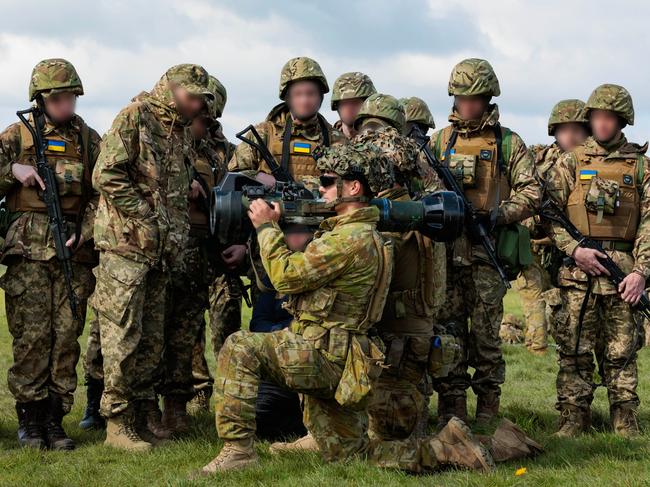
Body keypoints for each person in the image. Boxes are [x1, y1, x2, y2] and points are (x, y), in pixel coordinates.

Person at [197, 143, 541, 476]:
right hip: (341, 356)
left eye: (329, 181)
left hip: (323, 354)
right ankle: (462, 447)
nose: (322, 187)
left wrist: (266, 228)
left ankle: (238, 452)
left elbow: (286, 277)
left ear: (354, 186)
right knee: (353, 458)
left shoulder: (351, 239)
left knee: (240, 347)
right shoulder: (355, 232)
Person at [91, 64, 212, 451]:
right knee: (122, 335)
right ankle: (116, 422)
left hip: (161, 252)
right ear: (172, 90)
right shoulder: (135, 117)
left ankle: (143, 416)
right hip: (126, 247)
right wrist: (144, 215)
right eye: (192, 97)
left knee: (151, 337)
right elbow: (106, 174)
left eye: (200, 99)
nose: (197, 105)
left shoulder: (180, 130)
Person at [429, 58, 541, 428]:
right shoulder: (440, 142)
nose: (469, 104)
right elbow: (420, 188)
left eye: (476, 97)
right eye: (462, 96)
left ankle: (488, 409)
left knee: (488, 338)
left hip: (484, 255)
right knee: (448, 334)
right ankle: (452, 406)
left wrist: (499, 215)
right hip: (446, 255)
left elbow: (532, 191)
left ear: (488, 97)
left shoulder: (508, 142)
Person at [0, 58, 101, 450]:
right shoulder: (17, 135)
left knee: (66, 338)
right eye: (57, 98)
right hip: (27, 252)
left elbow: (102, 193)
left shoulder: (88, 140)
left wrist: (86, 232)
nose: (65, 106)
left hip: (72, 253)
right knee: (31, 337)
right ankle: (29, 420)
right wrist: (14, 170)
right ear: (40, 98)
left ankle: (56, 420)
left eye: (70, 98)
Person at [546, 84, 649, 437]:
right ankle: (574, 417)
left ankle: (625, 417)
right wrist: (574, 250)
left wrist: (641, 272)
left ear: (622, 121)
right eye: (598, 117)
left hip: (623, 272)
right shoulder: (569, 162)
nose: (603, 124)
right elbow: (549, 213)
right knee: (574, 348)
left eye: (610, 118)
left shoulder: (640, 166)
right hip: (578, 271)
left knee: (622, 350)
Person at [517, 99, 589, 355]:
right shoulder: (539, 159)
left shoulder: (593, 162)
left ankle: (571, 347)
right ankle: (538, 348)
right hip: (537, 243)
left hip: (579, 246)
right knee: (535, 297)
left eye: (577, 129)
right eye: (564, 129)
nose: (571, 136)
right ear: (555, 131)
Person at [251, 223, 314, 441]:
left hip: (314, 360)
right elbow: (258, 323)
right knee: (261, 422)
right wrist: (283, 331)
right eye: (289, 233)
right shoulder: (275, 275)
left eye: (302, 231)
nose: (295, 238)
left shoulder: (320, 267)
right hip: (281, 363)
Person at [331, 72, 377, 139]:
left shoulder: (383, 141)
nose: (349, 108)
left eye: (355, 103)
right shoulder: (326, 139)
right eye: (344, 103)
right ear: (336, 106)